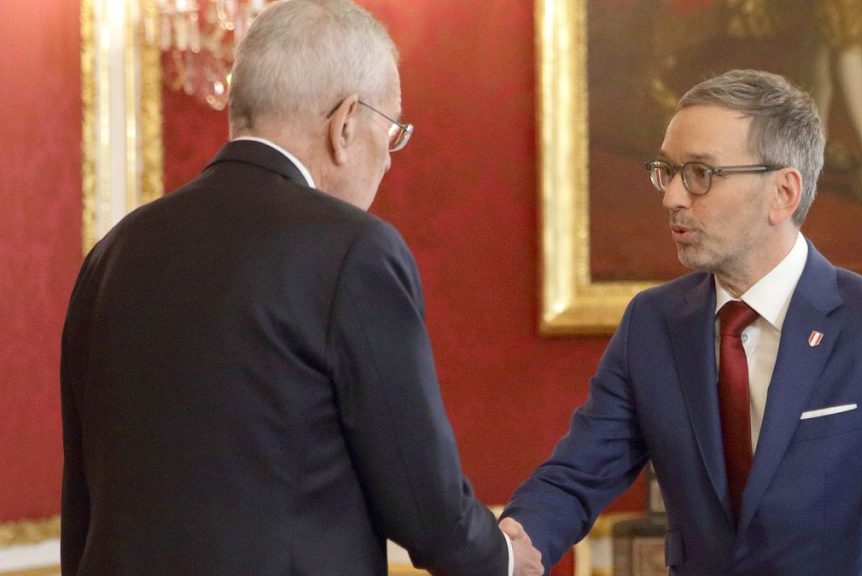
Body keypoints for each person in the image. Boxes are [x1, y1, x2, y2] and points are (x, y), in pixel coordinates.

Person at [60, 1, 541, 575]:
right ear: (344, 124)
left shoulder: (112, 252)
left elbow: (83, 502)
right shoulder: (353, 249)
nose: (389, 158)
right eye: (392, 131)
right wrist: (504, 559)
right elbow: (423, 503)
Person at [502, 69, 862, 575]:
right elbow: (576, 478)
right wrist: (504, 551)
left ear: (782, 193)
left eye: (700, 173)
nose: (672, 196)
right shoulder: (652, 324)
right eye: (666, 171)